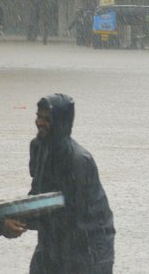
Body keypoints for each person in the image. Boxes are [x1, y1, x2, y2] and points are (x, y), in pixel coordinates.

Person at [27, 93, 115, 274]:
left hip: (89, 247)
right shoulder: (37, 147)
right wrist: (9, 215)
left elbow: (70, 212)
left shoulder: (79, 161)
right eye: (38, 116)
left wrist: (21, 220)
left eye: (47, 119)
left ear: (61, 122)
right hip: (53, 240)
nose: (39, 122)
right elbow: (36, 194)